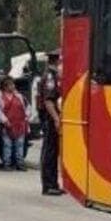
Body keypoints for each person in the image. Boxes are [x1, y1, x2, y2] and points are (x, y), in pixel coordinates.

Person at [39, 51, 65, 196]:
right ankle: (48, 185)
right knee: (49, 151)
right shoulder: (49, 76)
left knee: (54, 151)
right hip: (49, 118)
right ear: (57, 61)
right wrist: (56, 118)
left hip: (52, 117)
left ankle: (53, 183)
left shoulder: (54, 75)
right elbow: (49, 101)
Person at [0, 77, 29, 171]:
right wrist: (4, 120)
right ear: (5, 86)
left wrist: (26, 118)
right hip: (7, 125)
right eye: (10, 84)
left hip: (20, 124)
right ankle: (7, 163)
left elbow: (27, 107)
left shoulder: (20, 96)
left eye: (13, 84)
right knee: (7, 145)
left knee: (20, 144)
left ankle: (20, 163)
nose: (13, 86)